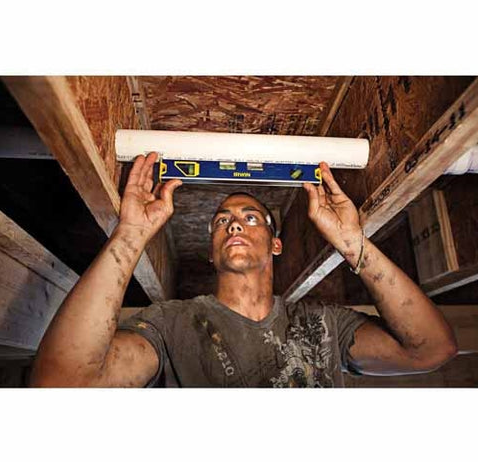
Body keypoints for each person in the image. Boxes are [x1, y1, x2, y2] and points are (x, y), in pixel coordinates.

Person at [30, 152, 457, 387]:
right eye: (222, 221)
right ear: (211, 253)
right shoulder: (170, 325)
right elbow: (62, 383)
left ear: (275, 244)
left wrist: (353, 244)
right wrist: (129, 236)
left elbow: (431, 350)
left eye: (251, 218)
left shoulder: (322, 325)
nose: (233, 224)